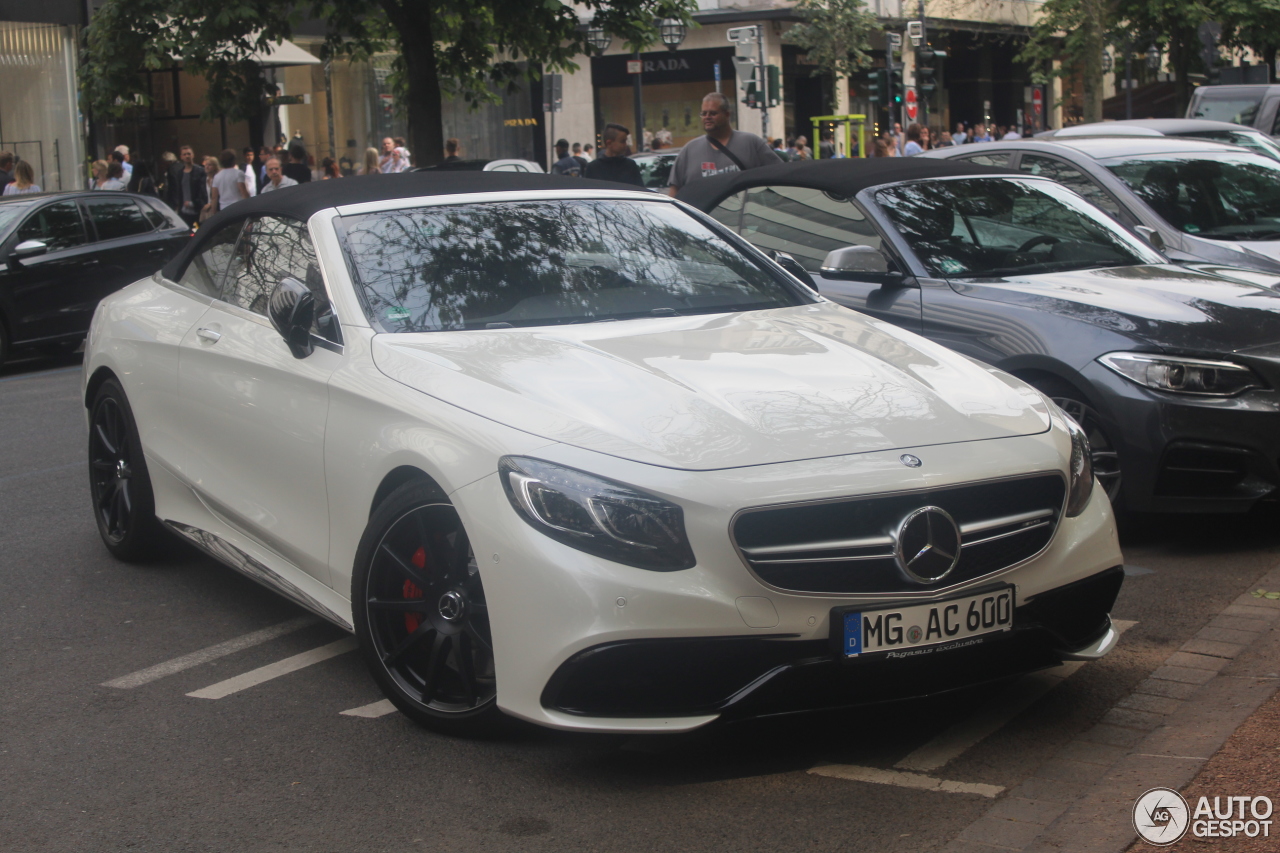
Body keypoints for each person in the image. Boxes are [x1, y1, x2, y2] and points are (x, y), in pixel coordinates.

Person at [666, 92, 778, 196]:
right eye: (704, 113)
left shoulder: (751, 143)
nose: (707, 117)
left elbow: (778, 174)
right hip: (702, 216)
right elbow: (675, 190)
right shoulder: (689, 150)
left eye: (713, 113)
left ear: (727, 114)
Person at [165, 146, 208, 227]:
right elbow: (178, 191)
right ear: (181, 157)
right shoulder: (179, 173)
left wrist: (194, 203)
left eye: (189, 154)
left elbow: (203, 191)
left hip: (197, 209)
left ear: (193, 155)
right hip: (184, 211)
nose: (187, 156)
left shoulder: (200, 171)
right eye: (184, 154)